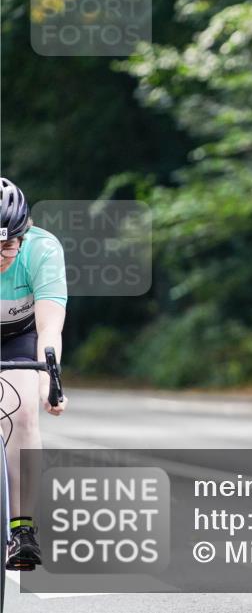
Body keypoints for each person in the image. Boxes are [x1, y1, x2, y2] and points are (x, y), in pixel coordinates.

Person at [0, 177, 68, 570]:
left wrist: (48, 380)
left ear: (24, 236)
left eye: (9, 245)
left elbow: (49, 329)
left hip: (20, 337)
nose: (2, 255)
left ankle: (22, 528)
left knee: (23, 412)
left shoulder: (43, 250)